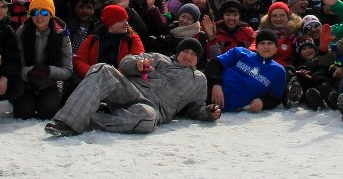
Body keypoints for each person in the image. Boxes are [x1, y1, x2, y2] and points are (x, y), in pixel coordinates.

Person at [45, 37, 219, 136]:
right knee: (102, 69)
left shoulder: (199, 80)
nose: (188, 56)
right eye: (185, 52)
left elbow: (196, 107)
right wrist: (138, 65)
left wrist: (208, 112)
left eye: (193, 54)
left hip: (151, 108)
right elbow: (126, 61)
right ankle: (66, 122)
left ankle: (86, 117)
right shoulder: (160, 59)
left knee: (146, 120)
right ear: (178, 52)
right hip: (130, 90)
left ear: (198, 59)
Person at [12, 0, 73, 120]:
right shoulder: (22, 33)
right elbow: (17, 64)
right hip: (26, 82)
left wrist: (49, 71)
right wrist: (29, 72)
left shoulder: (61, 35)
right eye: (34, 12)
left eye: (44, 12)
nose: (39, 16)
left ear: (51, 15)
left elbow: (68, 70)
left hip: (50, 83)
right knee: (23, 112)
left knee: (47, 112)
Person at [205, 29, 288, 114]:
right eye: (262, 43)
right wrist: (216, 85)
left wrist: (262, 102)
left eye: (270, 43)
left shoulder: (278, 71)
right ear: (256, 46)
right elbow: (213, 64)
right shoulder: (239, 52)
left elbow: (275, 98)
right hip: (207, 92)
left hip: (227, 112)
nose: (266, 47)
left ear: (276, 48)